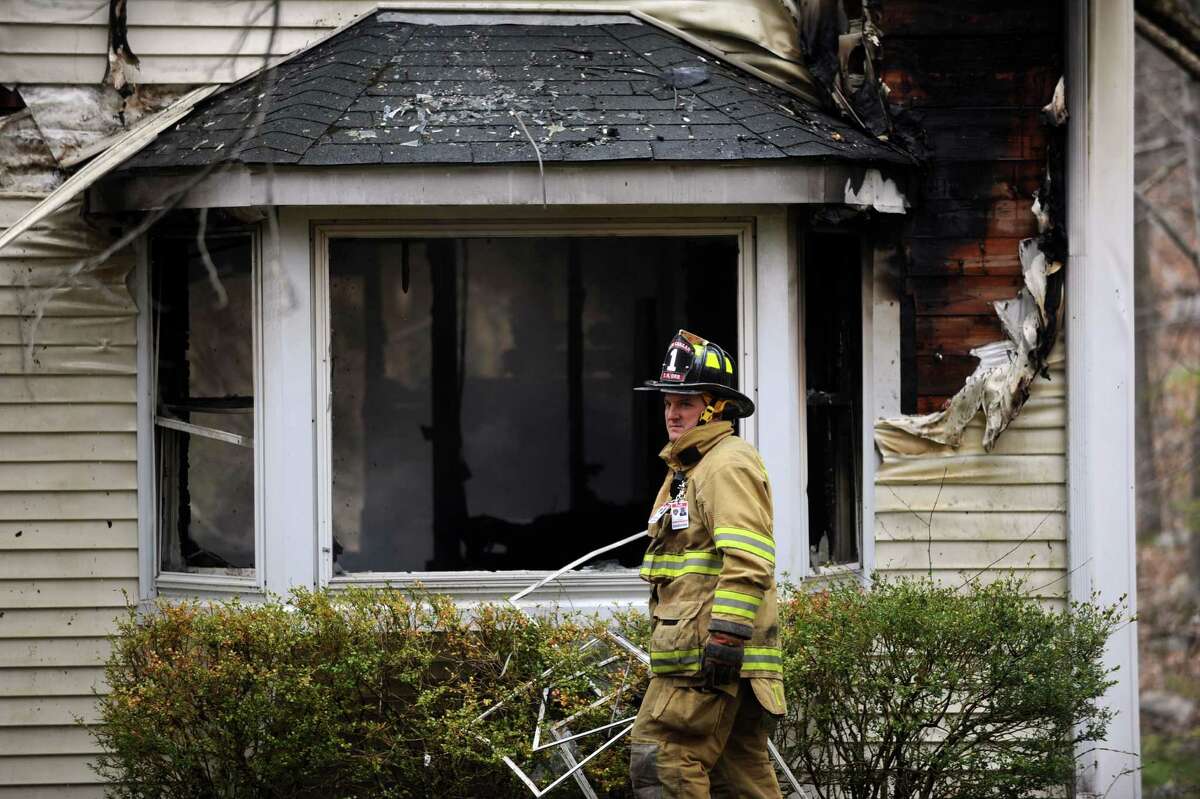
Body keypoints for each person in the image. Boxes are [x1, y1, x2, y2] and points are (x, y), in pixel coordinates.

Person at [629, 329, 785, 799]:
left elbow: (749, 557)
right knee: (738, 780)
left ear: (716, 407)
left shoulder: (725, 465)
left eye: (686, 403)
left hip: (710, 656)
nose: (673, 414)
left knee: (664, 759)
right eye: (667, 404)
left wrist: (724, 637)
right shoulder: (690, 469)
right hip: (708, 656)